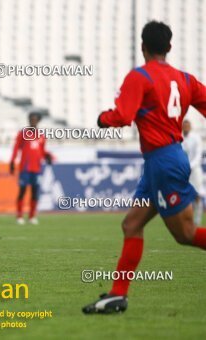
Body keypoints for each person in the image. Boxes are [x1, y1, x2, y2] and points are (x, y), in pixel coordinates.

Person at [83, 21, 206, 314]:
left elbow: (123, 116)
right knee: (132, 224)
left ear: (143, 47)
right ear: (170, 47)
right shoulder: (185, 79)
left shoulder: (139, 77)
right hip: (161, 161)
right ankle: (117, 295)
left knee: (185, 235)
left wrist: (103, 118)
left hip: (163, 161)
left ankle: (117, 294)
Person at [10, 112, 52, 225]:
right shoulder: (22, 133)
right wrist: (12, 161)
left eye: (35, 119)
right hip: (25, 168)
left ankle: (32, 216)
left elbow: (42, 151)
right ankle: (19, 216)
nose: (32, 121)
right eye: (31, 119)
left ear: (38, 121)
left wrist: (48, 156)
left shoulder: (42, 136)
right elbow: (16, 148)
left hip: (36, 169)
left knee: (35, 193)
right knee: (22, 191)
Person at [182, 120, 204, 225]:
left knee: (196, 195)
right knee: (184, 195)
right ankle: (186, 220)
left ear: (190, 127)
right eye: (184, 126)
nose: (185, 127)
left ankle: (197, 220)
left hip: (194, 171)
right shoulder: (179, 138)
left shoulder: (196, 138)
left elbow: (198, 155)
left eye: (187, 125)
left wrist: (190, 166)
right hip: (183, 172)